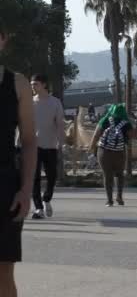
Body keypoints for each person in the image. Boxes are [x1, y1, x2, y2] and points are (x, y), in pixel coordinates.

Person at [0, 22, 38, 297]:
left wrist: (26, 190)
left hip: (5, 187)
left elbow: (28, 141)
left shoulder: (18, 84)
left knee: (3, 272)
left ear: (2, 41)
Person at [30, 74, 64, 219]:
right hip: (34, 146)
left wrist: (61, 143)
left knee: (52, 176)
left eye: (35, 84)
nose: (33, 86)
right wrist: (19, 142)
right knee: (34, 178)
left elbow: (60, 124)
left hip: (50, 145)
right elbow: (25, 124)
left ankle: (47, 199)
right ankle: (38, 209)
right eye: (31, 84)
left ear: (44, 85)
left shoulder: (55, 102)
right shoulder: (30, 102)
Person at [89, 104, 136, 207]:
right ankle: (119, 197)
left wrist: (91, 149)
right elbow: (133, 135)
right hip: (120, 152)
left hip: (104, 152)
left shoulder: (105, 120)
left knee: (107, 175)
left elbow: (96, 135)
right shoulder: (126, 123)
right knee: (119, 175)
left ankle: (109, 200)